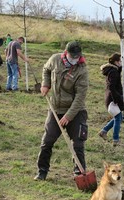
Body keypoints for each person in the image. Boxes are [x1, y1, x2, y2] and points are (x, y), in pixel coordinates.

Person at [34, 41, 89, 180]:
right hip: (55, 109)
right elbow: (46, 70)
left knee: (78, 144)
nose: (75, 59)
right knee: (47, 141)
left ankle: (79, 174)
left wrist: (69, 116)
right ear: (66, 53)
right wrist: (45, 84)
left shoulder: (82, 70)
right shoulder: (55, 59)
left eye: (77, 56)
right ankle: (42, 171)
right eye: (72, 56)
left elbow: (80, 97)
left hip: (75, 112)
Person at [98, 53, 124, 147]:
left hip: (113, 97)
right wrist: (117, 98)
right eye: (120, 61)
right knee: (118, 118)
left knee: (118, 117)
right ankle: (115, 139)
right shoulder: (113, 72)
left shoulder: (115, 70)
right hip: (112, 99)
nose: (121, 63)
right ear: (116, 62)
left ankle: (104, 131)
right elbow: (111, 87)